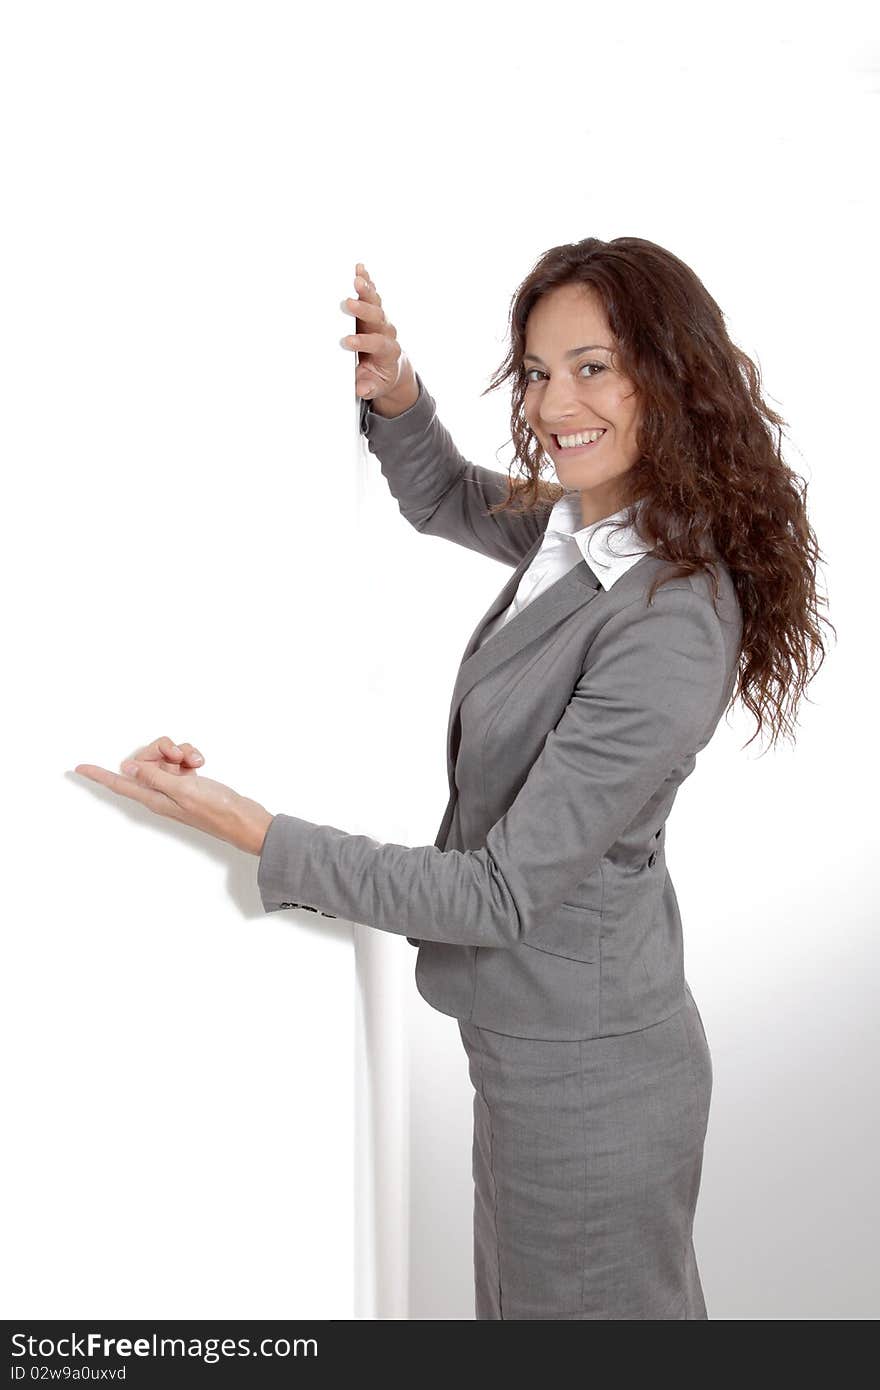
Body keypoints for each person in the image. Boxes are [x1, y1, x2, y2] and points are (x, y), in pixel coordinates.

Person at [74, 240, 834, 1319]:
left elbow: (496, 895)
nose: (551, 403)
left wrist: (248, 826)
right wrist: (398, 394)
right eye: (533, 371)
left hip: (591, 1076)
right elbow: (450, 499)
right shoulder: (592, 525)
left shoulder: (667, 621)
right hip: (546, 1048)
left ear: (673, 378)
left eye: (592, 367)